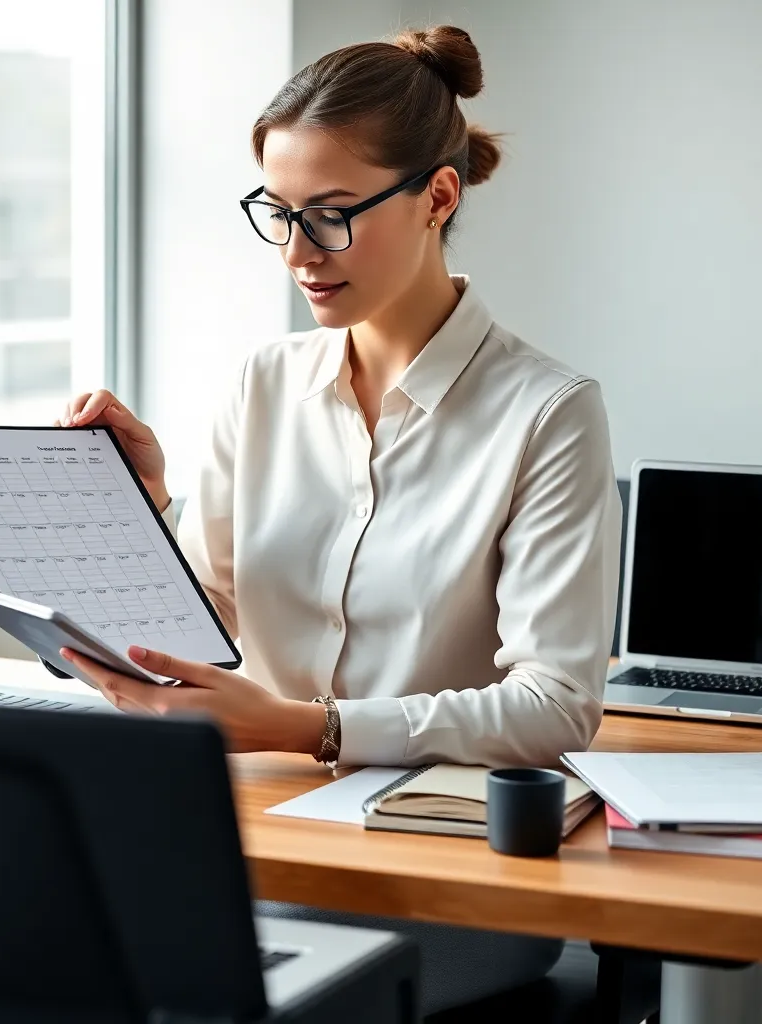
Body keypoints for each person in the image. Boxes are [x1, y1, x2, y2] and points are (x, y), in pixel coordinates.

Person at [57, 24, 621, 1014]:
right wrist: (138, 509)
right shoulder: (263, 384)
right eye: (276, 215)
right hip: (250, 845)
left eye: (330, 216)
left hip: (451, 883)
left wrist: (308, 727)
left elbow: (554, 707)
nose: (296, 254)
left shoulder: (548, 412)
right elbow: (209, 627)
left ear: (436, 197)